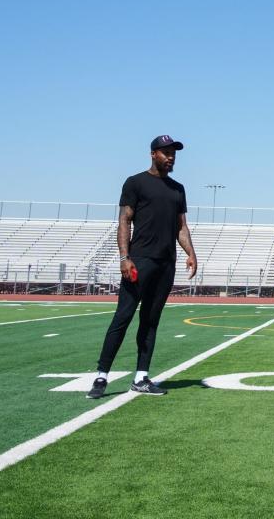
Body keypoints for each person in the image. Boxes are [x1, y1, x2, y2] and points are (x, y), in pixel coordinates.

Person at [87, 135, 198, 398]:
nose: (171, 157)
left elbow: (181, 226)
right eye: (166, 153)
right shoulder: (135, 182)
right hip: (140, 260)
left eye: (174, 153)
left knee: (150, 321)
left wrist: (191, 253)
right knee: (123, 317)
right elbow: (124, 221)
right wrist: (125, 257)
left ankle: (141, 377)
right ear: (153, 154)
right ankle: (102, 377)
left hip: (165, 263)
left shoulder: (177, 188)